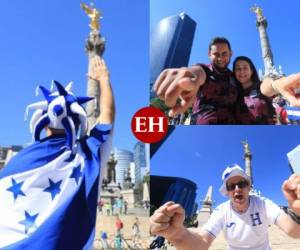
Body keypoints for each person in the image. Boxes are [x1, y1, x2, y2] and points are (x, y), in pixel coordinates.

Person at [0, 55, 115, 249]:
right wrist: (104, 79)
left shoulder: (18, 161)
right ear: (78, 123)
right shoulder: (87, 155)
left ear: (43, 124)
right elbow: (107, 116)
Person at [150, 165, 300, 250]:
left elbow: (293, 232)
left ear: (249, 187)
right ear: (227, 191)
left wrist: (298, 212)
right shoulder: (222, 211)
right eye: (231, 185)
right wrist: (177, 235)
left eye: (242, 184)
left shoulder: (262, 203)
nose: (237, 189)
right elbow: (202, 240)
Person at [154, 36, 238, 124]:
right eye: (216, 54)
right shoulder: (205, 70)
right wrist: (188, 75)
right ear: (209, 54)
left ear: (230, 53)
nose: (220, 58)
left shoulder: (236, 78)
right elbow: (197, 72)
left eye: (224, 53)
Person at [233, 56, 275, 124]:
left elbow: (271, 86)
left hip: (267, 132)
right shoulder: (234, 94)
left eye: (245, 68)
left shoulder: (261, 86)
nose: (242, 71)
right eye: (238, 69)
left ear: (251, 71)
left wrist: (276, 84)